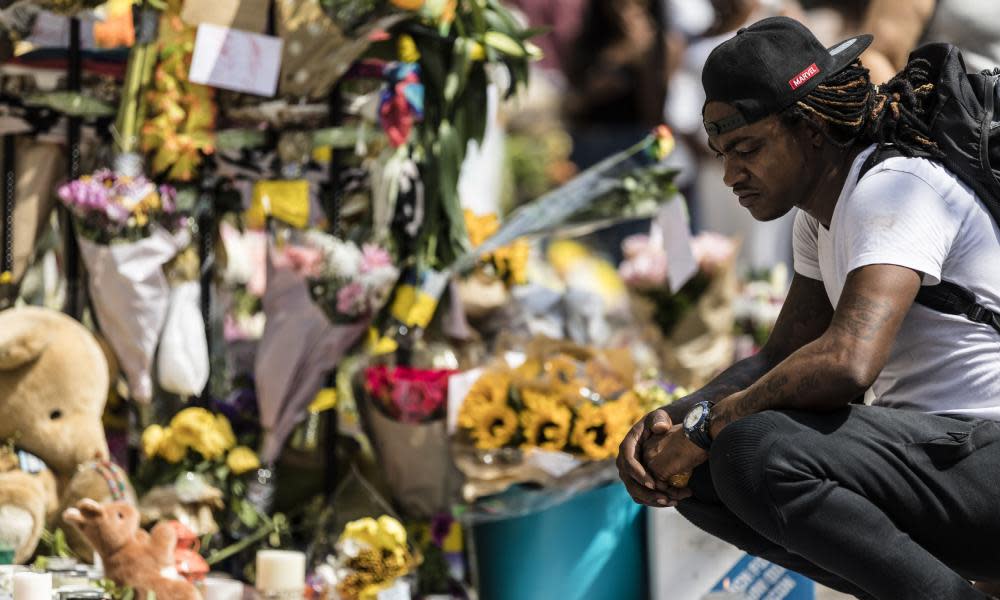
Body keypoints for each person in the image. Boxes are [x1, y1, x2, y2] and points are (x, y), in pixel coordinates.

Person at [618, 16, 1000, 600]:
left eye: (747, 148)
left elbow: (848, 362)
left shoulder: (893, 186)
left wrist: (710, 423)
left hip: (984, 462)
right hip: (944, 466)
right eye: (721, 153)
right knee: (698, 474)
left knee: (753, 447)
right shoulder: (819, 217)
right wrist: (672, 418)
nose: (730, 174)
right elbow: (779, 355)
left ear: (812, 129)